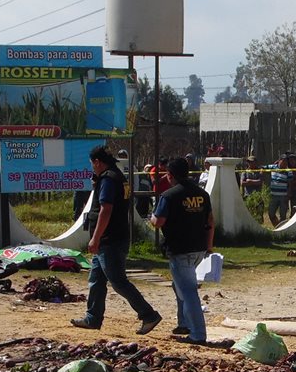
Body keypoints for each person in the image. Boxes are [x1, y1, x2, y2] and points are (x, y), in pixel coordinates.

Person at [70, 146, 162, 335]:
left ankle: (148, 314)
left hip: (109, 239)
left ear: (97, 162)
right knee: (95, 279)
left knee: (118, 282)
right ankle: (92, 318)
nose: (92, 169)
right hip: (111, 237)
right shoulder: (116, 177)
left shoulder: (109, 179)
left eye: (92, 165)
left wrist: (95, 238)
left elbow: (106, 209)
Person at [151, 157, 214, 344]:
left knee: (188, 291)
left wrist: (152, 219)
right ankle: (184, 323)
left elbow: (159, 221)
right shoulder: (202, 194)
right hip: (199, 248)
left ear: (170, 175)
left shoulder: (169, 196)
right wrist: (209, 247)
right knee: (180, 285)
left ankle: (197, 334)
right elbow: (210, 222)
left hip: (180, 250)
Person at [267, 155, 293, 227]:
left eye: (286, 162)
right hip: (273, 195)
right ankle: (277, 227)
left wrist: (288, 194)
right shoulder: (273, 167)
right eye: (283, 161)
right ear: (279, 161)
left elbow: (290, 184)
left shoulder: (288, 171)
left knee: (283, 215)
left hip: (283, 196)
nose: (285, 163)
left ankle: (282, 230)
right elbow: (262, 167)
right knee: (271, 213)